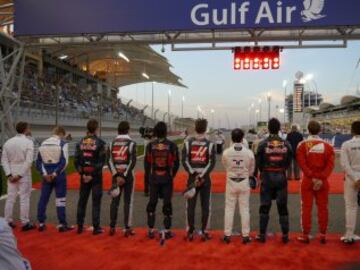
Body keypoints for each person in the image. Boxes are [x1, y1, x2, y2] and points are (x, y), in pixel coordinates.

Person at [296, 120, 335, 244]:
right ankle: (323, 234)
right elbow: (330, 165)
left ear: (308, 130)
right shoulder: (328, 146)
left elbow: (302, 164)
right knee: (323, 208)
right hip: (323, 181)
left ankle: (305, 235)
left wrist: (312, 177)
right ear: (320, 130)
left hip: (307, 180)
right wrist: (321, 177)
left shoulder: (302, 145)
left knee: (306, 208)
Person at [256, 118, 292, 243]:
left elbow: (258, 163)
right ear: (279, 128)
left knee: (264, 206)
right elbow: (288, 162)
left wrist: (264, 171)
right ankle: (285, 235)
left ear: (269, 128)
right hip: (281, 177)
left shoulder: (262, 143)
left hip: (267, 176)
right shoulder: (286, 143)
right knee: (282, 207)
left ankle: (261, 235)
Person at [182, 119, 216, 241]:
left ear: (195, 128)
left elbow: (184, 161)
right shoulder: (210, 144)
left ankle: (190, 231)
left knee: (190, 206)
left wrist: (193, 173)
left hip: (192, 178)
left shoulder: (187, 143)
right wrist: (201, 175)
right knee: (206, 206)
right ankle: (204, 232)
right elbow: (212, 163)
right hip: (205, 179)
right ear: (206, 129)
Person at [144, 122, 179, 239]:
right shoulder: (172, 145)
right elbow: (176, 163)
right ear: (165, 131)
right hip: (166, 178)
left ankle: (150, 230)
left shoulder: (150, 145)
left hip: (154, 178)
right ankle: (167, 230)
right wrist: (171, 175)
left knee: (152, 202)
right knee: (167, 204)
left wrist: (148, 179)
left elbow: (147, 164)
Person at [36, 126, 73, 232]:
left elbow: (38, 162)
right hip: (58, 174)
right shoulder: (63, 144)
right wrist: (55, 173)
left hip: (46, 173)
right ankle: (62, 223)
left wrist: (44, 174)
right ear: (61, 133)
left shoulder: (43, 143)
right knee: (60, 199)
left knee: (43, 198)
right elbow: (64, 162)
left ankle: (41, 223)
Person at [222, 129, 255, 244]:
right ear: (242, 138)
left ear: (231, 138)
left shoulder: (226, 152)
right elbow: (252, 170)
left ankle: (227, 235)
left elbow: (225, 165)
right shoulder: (249, 153)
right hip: (244, 182)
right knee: (244, 209)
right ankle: (245, 235)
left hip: (231, 182)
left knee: (229, 208)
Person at [1, 122, 35, 231]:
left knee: (11, 198)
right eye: (29, 127)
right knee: (24, 198)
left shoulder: (8, 142)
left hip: (11, 170)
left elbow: (4, 161)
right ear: (25, 129)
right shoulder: (28, 142)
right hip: (23, 172)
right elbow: (29, 161)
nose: (30, 129)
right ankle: (25, 222)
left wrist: (9, 174)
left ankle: (7, 221)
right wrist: (20, 175)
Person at [75, 119, 107, 235]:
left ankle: (79, 226)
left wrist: (83, 174)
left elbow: (76, 161)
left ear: (87, 128)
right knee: (96, 202)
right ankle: (96, 227)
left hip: (83, 176)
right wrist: (92, 175)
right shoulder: (101, 143)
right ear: (97, 128)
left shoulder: (80, 142)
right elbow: (102, 162)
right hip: (96, 177)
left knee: (82, 201)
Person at [108, 121, 137, 236]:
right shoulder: (131, 143)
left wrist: (116, 175)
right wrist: (124, 175)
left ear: (118, 130)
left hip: (115, 176)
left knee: (114, 201)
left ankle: (112, 226)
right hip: (128, 176)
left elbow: (109, 161)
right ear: (128, 129)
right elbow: (132, 161)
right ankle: (127, 228)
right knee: (128, 202)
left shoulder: (111, 143)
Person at [340, 120, 360, 244]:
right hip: (355, 177)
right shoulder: (345, 144)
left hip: (351, 179)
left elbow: (344, 164)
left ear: (352, 131)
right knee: (351, 207)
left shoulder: (346, 144)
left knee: (351, 206)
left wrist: (356, 178)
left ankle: (349, 235)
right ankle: (350, 234)